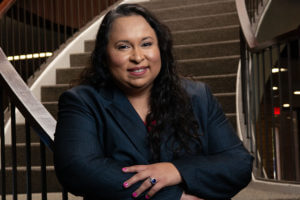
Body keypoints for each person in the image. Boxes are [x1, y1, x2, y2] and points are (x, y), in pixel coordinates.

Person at [54, 3, 253, 200]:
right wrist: (175, 197)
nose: (138, 56)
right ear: (105, 55)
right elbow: (78, 169)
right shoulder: (82, 101)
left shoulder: (199, 96)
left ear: (161, 49)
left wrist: (177, 170)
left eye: (146, 44)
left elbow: (238, 163)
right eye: (123, 47)